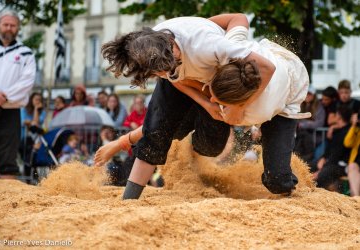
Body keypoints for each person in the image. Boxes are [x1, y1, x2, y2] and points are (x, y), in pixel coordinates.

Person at [95, 14, 293, 199]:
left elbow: (240, 22)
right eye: (159, 73)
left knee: (210, 147)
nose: (166, 73)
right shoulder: (152, 48)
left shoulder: (209, 45)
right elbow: (176, 80)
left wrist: (238, 106)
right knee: (157, 132)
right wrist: (205, 104)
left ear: (171, 45)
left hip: (218, 88)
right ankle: (129, 198)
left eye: (169, 68)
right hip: (197, 87)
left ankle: (184, 137)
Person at [0, 9, 36, 178]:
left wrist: (0, 98)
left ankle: (7, 204)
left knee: (7, 162)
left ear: (18, 28)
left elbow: (27, 82)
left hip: (10, 113)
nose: (9, 28)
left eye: (13, 25)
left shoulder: (26, 53)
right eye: (5, 24)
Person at [314, 106, 352, 191]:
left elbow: (336, 155)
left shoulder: (347, 132)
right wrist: (323, 158)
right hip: (332, 162)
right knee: (311, 165)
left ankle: (321, 195)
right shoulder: (337, 131)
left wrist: (321, 169)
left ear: (339, 116)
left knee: (323, 174)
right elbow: (329, 148)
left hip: (342, 165)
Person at [294, 86, 325, 163]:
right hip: (301, 137)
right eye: (305, 93)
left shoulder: (319, 107)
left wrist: (303, 124)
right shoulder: (300, 106)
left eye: (309, 94)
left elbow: (319, 123)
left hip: (315, 137)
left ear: (314, 95)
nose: (307, 95)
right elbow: (295, 120)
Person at [20, 92, 46, 176]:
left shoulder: (42, 112)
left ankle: (33, 177)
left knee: (32, 159)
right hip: (24, 138)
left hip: (36, 139)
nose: (38, 101)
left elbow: (36, 122)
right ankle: (29, 178)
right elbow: (24, 121)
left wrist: (36, 110)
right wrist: (32, 123)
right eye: (36, 99)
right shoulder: (24, 109)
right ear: (31, 100)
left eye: (39, 100)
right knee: (26, 159)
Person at [343, 113, 360, 196]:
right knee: (352, 166)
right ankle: (356, 198)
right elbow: (347, 143)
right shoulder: (357, 130)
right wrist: (354, 126)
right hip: (357, 163)